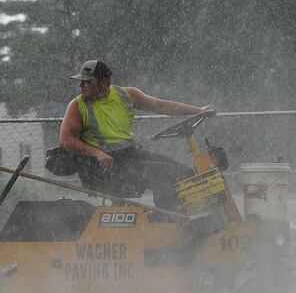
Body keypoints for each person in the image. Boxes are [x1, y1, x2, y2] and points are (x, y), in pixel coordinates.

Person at [60, 59, 215, 211]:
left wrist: (198, 111)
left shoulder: (126, 95)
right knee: (164, 175)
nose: (81, 86)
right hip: (105, 166)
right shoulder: (77, 106)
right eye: (81, 82)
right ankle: (169, 223)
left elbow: (161, 106)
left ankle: (191, 217)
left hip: (130, 155)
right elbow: (65, 140)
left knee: (184, 173)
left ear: (104, 83)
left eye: (87, 82)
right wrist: (97, 153)